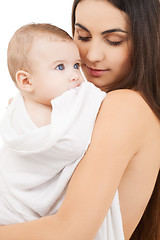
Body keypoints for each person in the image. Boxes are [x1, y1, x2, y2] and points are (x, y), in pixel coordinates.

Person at [0, 0, 159, 239]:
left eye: (113, 40)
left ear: (145, 39)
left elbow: (72, 231)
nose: (92, 56)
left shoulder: (126, 105)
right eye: (83, 36)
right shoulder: (88, 104)